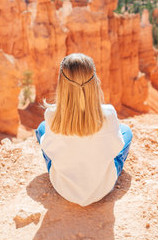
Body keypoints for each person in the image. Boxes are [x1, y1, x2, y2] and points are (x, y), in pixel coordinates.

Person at [35, 53, 133, 207]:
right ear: (94, 81)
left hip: (63, 188)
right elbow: (116, 147)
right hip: (102, 188)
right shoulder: (108, 114)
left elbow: (49, 148)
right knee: (126, 131)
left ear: (62, 83)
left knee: (41, 129)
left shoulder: (51, 115)